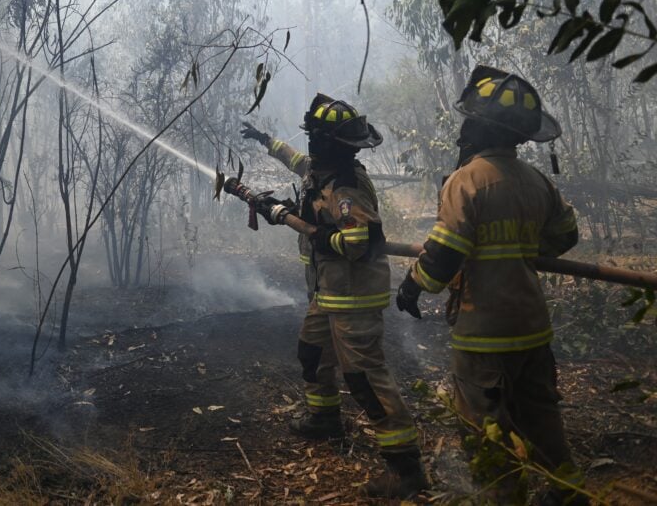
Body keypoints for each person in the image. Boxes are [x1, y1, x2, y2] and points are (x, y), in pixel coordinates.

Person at [395, 65, 586, 505]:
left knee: (485, 434)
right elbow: (566, 235)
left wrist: (411, 285)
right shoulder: (537, 181)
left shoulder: (468, 180)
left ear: (479, 127)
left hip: (485, 336)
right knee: (542, 423)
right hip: (533, 328)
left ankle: (504, 497)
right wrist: (523, 247)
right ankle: (568, 494)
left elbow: (443, 256)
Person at [242, 95, 427, 499]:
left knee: (364, 377)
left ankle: (406, 467)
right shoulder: (321, 174)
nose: (310, 146)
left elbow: (358, 242)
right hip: (328, 293)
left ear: (333, 144)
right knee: (312, 352)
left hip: (354, 297)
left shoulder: (345, 188)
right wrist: (264, 140)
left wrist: (312, 229)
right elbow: (293, 160)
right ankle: (324, 419)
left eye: (317, 139)